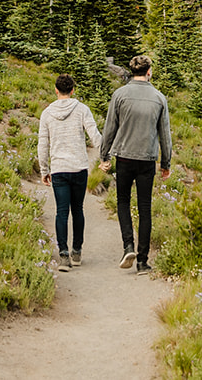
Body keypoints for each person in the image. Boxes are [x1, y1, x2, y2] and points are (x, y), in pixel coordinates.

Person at [99, 54, 171, 273]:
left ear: (132, 71)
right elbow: (165, 134)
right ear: (149, 71)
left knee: (122, 201)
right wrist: (166, 162)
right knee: (145, 207)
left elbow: (110, 127)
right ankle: (142, 261)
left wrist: (104, 156)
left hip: (124, 157)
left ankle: (128, 245)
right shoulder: (159, 98)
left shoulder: (119, 95)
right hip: (147, 159)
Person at [38, 73, 102, 272]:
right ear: (73, 90)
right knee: (78, 210)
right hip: (79, 167)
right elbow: (95, 135)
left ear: (56, 90)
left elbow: (43, 144)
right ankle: (77, 251)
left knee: (61, 212)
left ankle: (63, 255)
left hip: (59, 169)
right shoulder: (82, 109)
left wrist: (44, 170)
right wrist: (104, 158)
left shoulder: (47, 113)